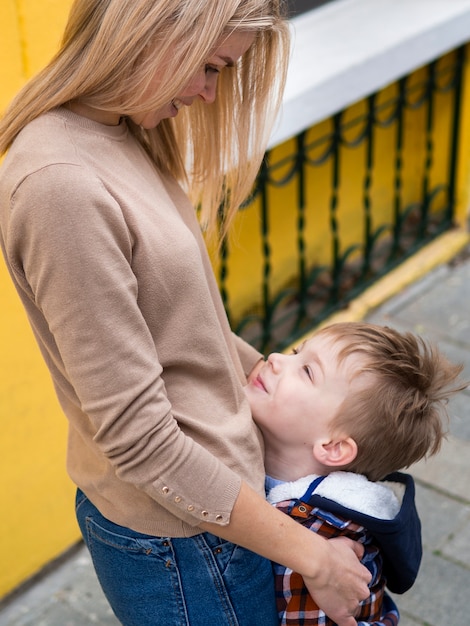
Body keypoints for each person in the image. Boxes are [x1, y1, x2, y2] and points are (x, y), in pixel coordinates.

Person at [0, 2, 373, 625]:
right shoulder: (60, 185)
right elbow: (139, 439)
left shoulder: (120, 130)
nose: (207, 92)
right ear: (151, 31)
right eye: (209, 66)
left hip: (216, 513)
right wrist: (314, 557)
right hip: (187, 538)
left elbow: (183, 326)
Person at [245, 321, 466, 625]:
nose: (274, 357)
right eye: (297, 352)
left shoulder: (314, 534)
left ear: (334, 446)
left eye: (307, 371)